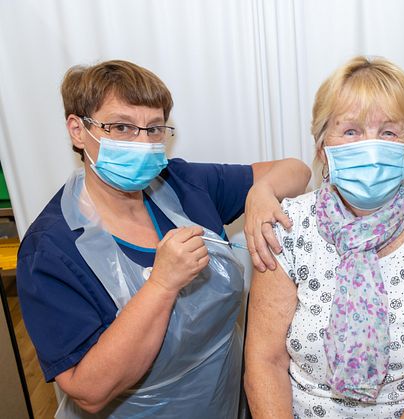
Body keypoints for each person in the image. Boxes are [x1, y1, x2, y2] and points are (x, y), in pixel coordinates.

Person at [16, 60, 310, 418]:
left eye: (154, 129)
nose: (143, 143)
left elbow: (296, 170)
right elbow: (89, 391)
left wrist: (262, 192)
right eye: (122, 127)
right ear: (78, 131)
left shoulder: (182, 184)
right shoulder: (50, 250)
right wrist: (161, 285)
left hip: (224, 401)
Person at [244, 56, 404, 418]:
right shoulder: (287, 227)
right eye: (350, 131)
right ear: (322, 148)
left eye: (388, 132)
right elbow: (264, 362)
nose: (370, 146)